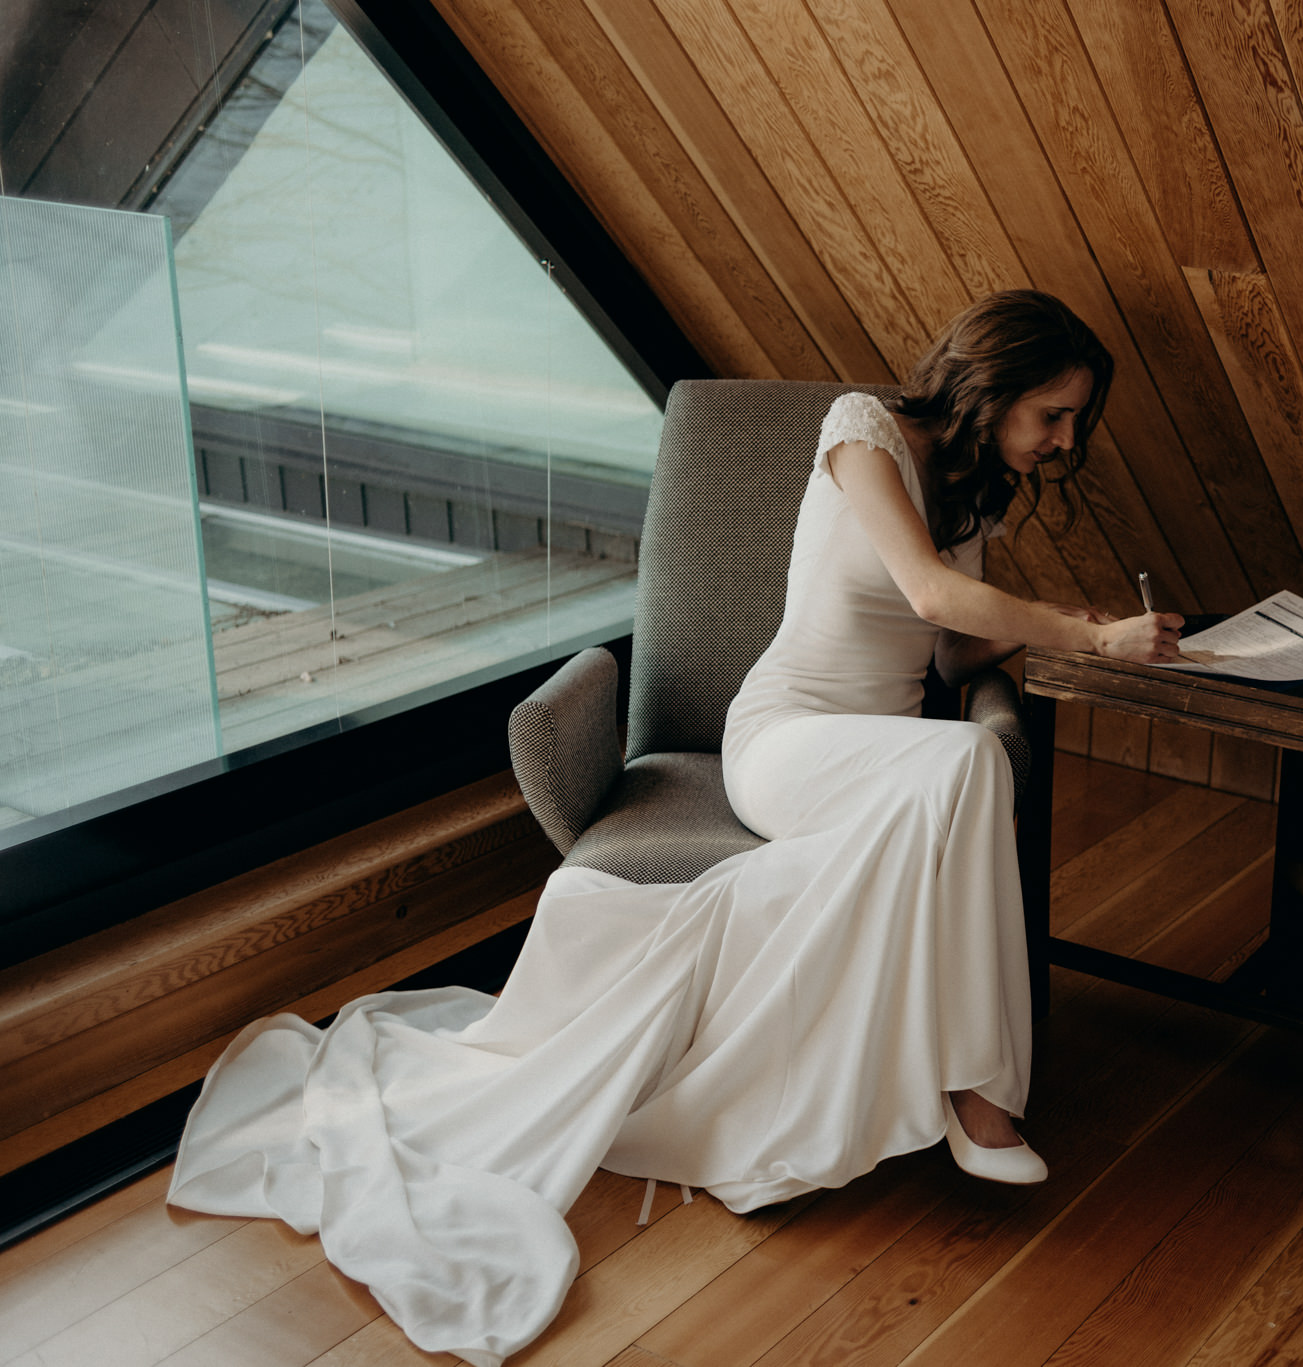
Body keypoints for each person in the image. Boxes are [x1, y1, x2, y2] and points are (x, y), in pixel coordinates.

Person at [163, 290, 1183, 1367]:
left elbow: (944, 659)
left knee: (964, 756)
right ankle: (978, 1096)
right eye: (1054, 415)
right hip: (785, 741)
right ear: (992, 385)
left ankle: (964, 1084)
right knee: (971, 760)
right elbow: (928, 596)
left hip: (879, 753)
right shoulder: (860, 433)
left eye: (1073, 422)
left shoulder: (978, 497)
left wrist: (1061, 632)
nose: (1065, 442)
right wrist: (1075, 629)